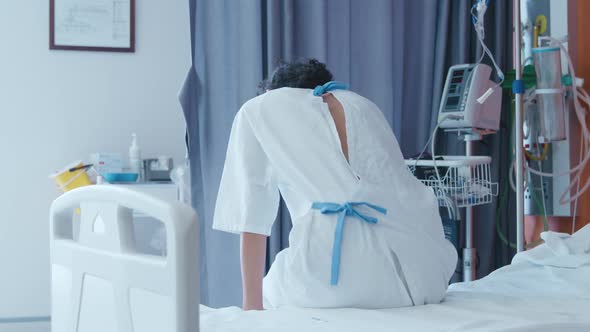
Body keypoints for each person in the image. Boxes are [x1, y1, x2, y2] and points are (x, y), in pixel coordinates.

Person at [213, 59, 457, 310]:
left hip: (336, 277)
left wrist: (251, 309)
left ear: (273, 91)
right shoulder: (362, 105)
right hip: (421, 272)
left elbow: (251, 213)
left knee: (271, 291)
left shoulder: (258, 110)